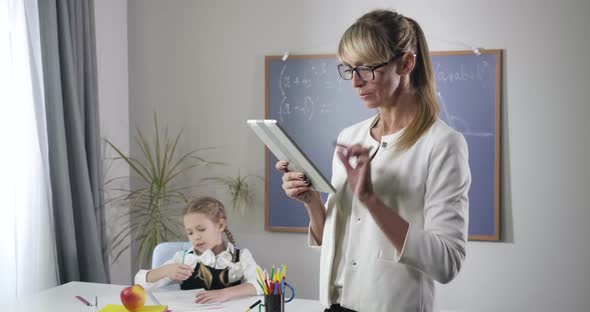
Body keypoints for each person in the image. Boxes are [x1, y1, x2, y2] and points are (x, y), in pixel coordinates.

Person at [275, 9, 471, 312]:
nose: (355, 82)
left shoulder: (442, 144)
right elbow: (339, 238)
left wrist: (370, 199)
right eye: (348, 69)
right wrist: (312, 200)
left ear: (406, 63)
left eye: (366, 69)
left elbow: (447, 263)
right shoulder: (350, 137)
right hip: (333, 305)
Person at [134, 197, 263, 303]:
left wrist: (225, 293)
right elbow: (140, 282)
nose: (196, 237)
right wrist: (165, 271)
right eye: (190, 233)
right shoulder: (183, 259)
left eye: (201, 229)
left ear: (220, 225)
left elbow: (261, 284)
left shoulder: (241, 257)